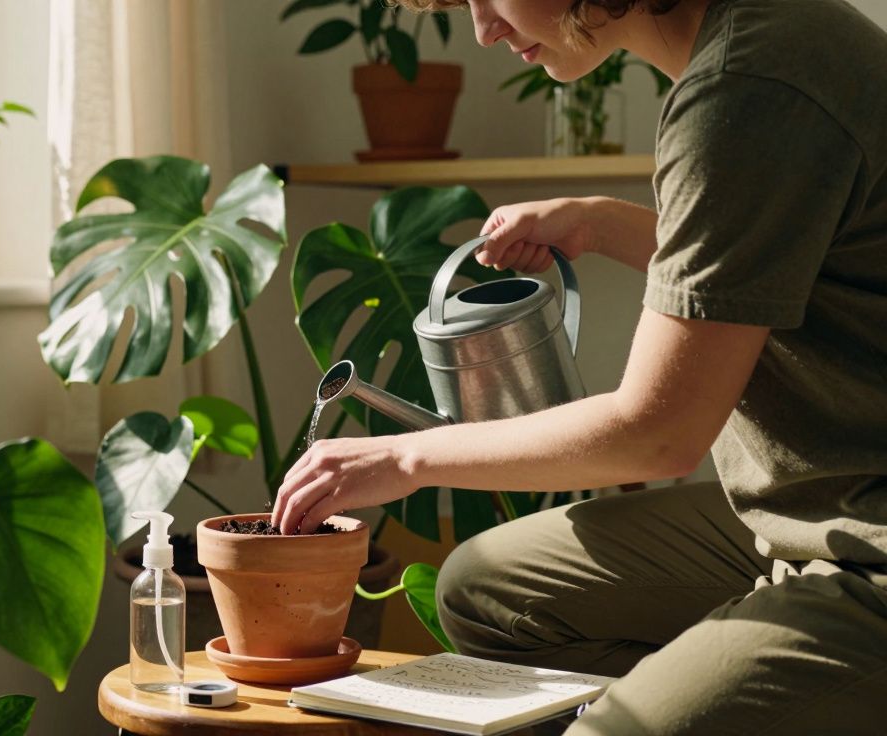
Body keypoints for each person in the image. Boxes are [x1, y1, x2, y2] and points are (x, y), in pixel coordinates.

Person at [271, 0, 887, 733]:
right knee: (485, 590)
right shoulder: (757, 37)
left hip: (867, 545)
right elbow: (780, 262)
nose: (483, 29)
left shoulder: (746, 86)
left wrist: (405, 456)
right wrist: (602, 222)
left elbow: (658, 432)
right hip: (810, 506)